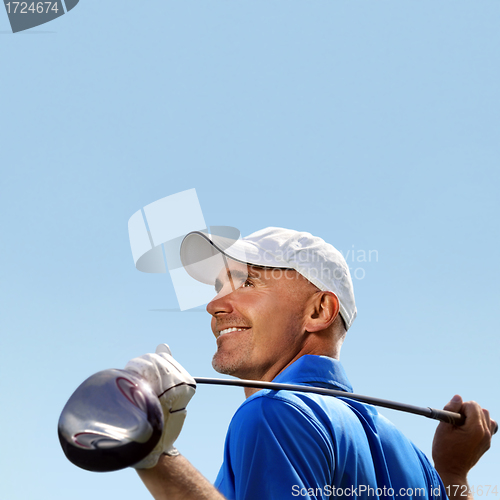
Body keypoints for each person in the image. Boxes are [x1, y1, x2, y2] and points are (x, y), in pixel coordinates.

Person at [125, 227, 495, 500]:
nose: (215, 305)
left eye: (247, 283)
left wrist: (155, 454)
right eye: (218, 288)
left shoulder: (274, 412)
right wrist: (453, 471)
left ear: (319, 311)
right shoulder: (415, 461)